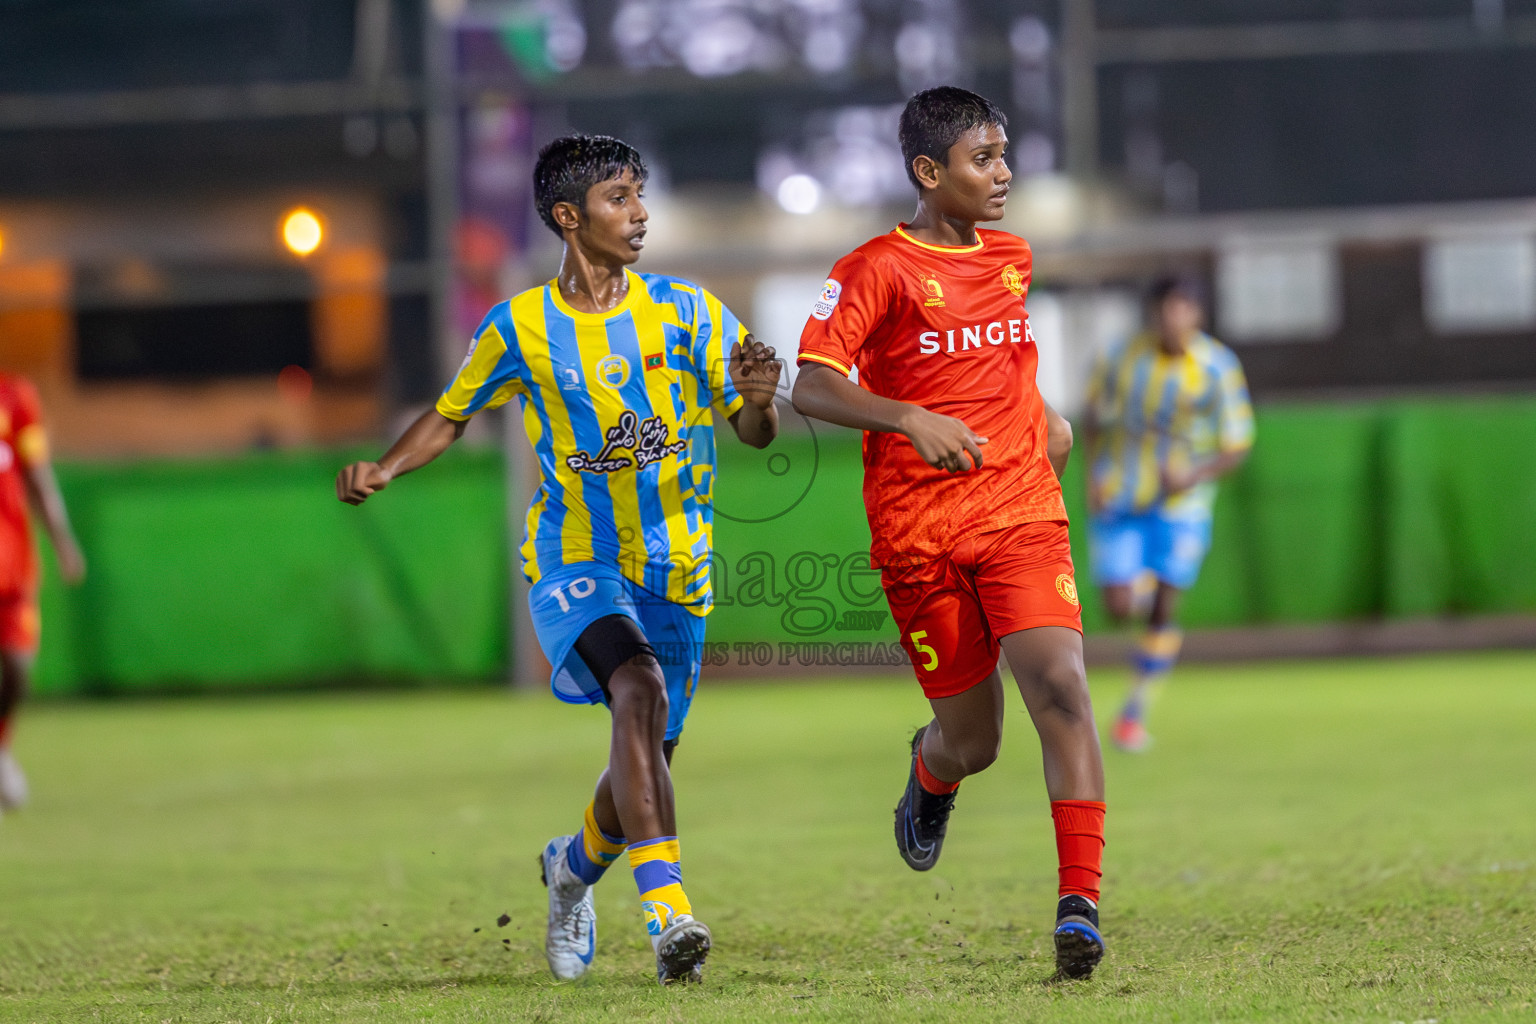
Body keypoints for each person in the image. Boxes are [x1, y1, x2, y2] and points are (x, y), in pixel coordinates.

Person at [336, 135, 781, 986]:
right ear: (570, 218)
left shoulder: (688, 311)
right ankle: (669, 918)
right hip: (574, 555)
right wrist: (387, 465)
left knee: (646, 753)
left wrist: (756, 403)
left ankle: (571, 869)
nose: (642, 212)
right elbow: (451, 413)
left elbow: (752, 430)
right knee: (637, 691)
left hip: (678, 566)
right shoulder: (519, 327)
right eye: (621, 197)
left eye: (642, 194)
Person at [791, 87, 1107, 980]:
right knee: (978, 739)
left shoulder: (1012, 255)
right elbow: (811, 384)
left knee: (1064, 689)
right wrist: (905, 417)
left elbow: (998, 362)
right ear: (930, 173)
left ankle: (1077, 907)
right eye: (983, 159)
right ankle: (932, 777)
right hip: (919, 537)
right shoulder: (871, 271)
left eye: (1005, 155)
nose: (1002, 174)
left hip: (1019, 512)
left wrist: (1044, 417)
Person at [1083, 275, 1253, 753]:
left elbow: (1237, 443)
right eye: (1164, 309)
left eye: (1182, 309)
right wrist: (1091, 477)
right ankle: (1136, 589)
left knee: (1164, 607)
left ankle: (1134, 713)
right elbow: (1092, 415)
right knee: (1119, 608)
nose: (1171, 319)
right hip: (1122, 495)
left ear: (1196, 314)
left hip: (1183, 507)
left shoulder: (1217, 366)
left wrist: (1194, 476)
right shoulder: (1122, 356)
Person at [0, 374, 87, 816]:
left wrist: (63, 541)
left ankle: (1, 749)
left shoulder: (15, 398)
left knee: (17, 667)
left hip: (12, 570)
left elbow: (38, 474)